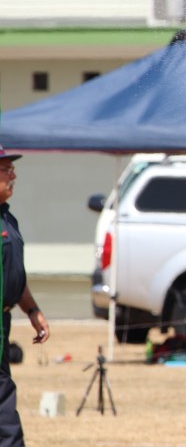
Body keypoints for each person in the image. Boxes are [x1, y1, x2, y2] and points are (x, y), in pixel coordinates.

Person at [0, 145, 49, 446]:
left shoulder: (8, 220)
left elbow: (13, 272)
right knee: (5, 414)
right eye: (6, 169)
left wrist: (31, 310)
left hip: (4, 325)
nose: (13, 173)